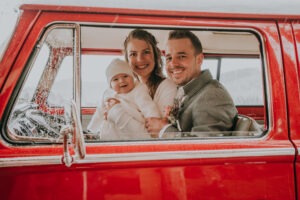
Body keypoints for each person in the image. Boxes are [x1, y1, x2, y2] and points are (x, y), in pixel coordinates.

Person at [145, 30, 238, 138]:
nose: (173, 64)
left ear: (199, 59)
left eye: (182, 56)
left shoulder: (212, 95)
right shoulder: (187, 90)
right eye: (169, 58)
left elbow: (205, 149)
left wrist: (164, 129)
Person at [87, 58, 161, 139]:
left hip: (132, 130)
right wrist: (91, 130)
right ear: (110, 84)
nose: (122, 81)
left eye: (125, 76)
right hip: (111, 134)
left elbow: (148, 106)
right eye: (115, 79)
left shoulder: (138, 91)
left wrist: (154, 121)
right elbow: (99, 112)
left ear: (132, 77)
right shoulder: (108, 94)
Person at [123, 29, 177, 117]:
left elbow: (158, 127)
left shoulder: (167, 87)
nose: (140, 59)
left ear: (155, 56)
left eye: (146, 52)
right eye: (133, 54)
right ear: (127, 59)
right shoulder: (128, 88)